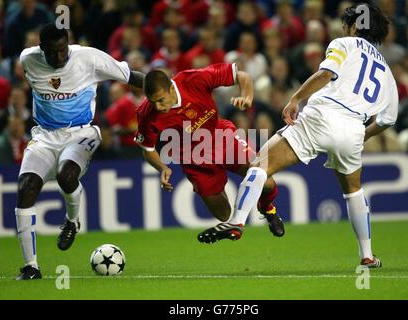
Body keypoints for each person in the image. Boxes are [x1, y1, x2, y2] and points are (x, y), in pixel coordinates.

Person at [198, 4, 397, 268]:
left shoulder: (346, 43)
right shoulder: (388, 73)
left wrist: (295, 98)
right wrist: (363, 134)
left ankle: (236, 221)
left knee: (260, 165)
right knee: (353, 191)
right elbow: (388, 119)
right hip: (353, 130)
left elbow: (326, 74)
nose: (343, 30)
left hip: (321, 116)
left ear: (355, 27)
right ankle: (367, 256)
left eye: (345, 26)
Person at [15, 23, 145, 280]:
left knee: (67, 175)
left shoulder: (89, 57)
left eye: (63, 50)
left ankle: (72, 221)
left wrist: (171, 90)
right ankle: (31, 266)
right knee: (26, 188)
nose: (60, 57)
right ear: (42, 49)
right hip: (44, 137)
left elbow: (131, 76)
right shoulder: (28, 60)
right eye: (53, 52)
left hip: (81, 133)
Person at [135, 63, 284, 241]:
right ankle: (232, 221)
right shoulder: (146, 113)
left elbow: (241, 76)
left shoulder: (193, 79)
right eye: (153, 102)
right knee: (223, 214)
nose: (157, 107)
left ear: (171, 87)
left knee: (265, 180)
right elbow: (147, 149)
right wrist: (162, 168)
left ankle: (267, 208)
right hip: (194, 159)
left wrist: (247, 96)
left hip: (222, 137)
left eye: (160, 100)